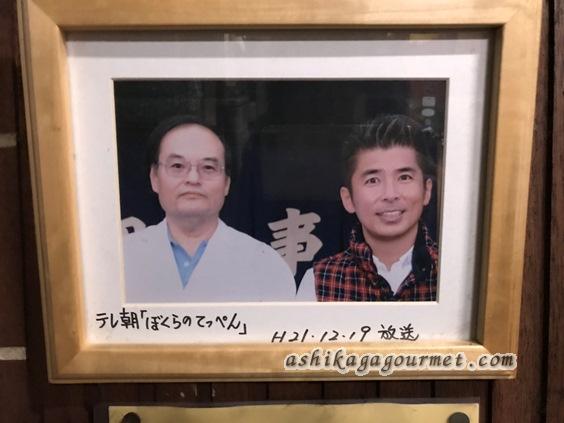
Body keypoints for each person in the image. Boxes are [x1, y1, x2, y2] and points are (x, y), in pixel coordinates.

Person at [123, 115, 296, 302]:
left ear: (227, 183)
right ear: (155, 178)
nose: (193, 179)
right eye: (177, 166)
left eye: (208, 167)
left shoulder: (266, 265)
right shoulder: (121, 258)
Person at [297, 114, 439, 301]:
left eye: (404, 177)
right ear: (348, 199)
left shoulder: (452, 273)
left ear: (427, 191)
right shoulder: (319, 281)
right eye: (373, 180)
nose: (390, 194)